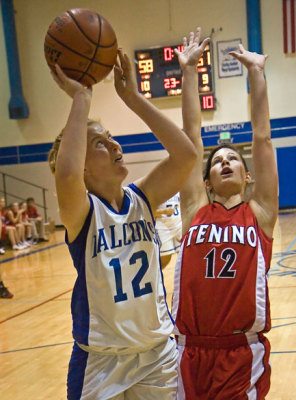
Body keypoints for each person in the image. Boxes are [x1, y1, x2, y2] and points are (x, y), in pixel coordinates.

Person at [47, 38, 207, 399]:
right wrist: (80, 100)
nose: (116, 146)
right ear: (84, 166)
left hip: (156, 354)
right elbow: (67, 176)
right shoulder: (82, 213)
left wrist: (133, 98)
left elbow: (186, 154)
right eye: (101, 143)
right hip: (100, 361)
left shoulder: (142, 198)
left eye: (111, 137)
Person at [172, 38, 278, 399]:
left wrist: (257, 73)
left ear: (247, 176)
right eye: (218, 161)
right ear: (206, 181)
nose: (225, 162)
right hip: (187, 350)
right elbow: (191, 137)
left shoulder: (259, 213)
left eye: (233, 159)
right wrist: (188, 72)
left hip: (240, 352)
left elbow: (262, 138)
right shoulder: (194, 211)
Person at [155, 193, 182, 269]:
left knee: (184, 255)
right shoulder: (154, 188)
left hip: (178, 224)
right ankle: (156, 278)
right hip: (162, 227)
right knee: (165, 259)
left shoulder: (177, 187)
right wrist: (163, 211)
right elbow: (147, 210)